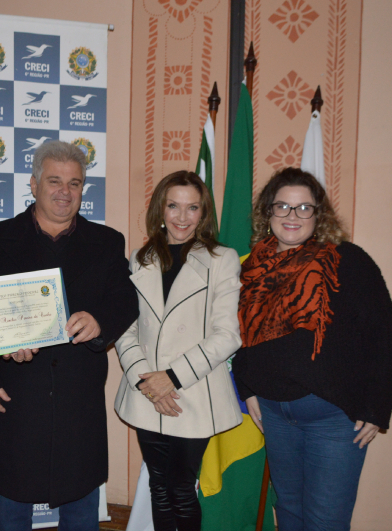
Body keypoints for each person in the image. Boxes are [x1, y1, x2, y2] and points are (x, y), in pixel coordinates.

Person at [0, 140, 138, 531]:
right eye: (55, 181)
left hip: (80, 398)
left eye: (74, 183)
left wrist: (99, 322)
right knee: (11, 508)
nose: (65, 192)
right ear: (34, 184)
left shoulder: (107, 241)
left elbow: (125, 301)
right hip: (17, 395)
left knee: (81, 508)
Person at [232, 167, 392, 531]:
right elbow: (244, 335)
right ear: (268, 212)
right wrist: (246, 387)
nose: (292, 216)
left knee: (325, 520)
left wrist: (376, 408)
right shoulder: (253, 267)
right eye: (282, 206)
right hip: (275, 416)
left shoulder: (347, 260)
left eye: (304, 208)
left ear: (318, 214)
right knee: (289, 513)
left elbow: (386, 336)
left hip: (333, 419)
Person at [114, 171, 243, 531]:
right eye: (173, 206)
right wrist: (147, 382)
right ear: (160, 209)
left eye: (192, 208)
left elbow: (227, 335)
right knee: (159, 487)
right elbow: (125, 328)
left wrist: (170, 378)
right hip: (146, 391)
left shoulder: (222, 259)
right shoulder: (139, 258)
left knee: (182, 489)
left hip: (192, 392)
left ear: (203, 213)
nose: (182, 217)